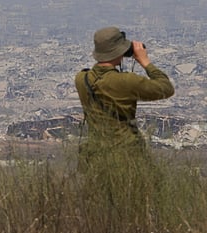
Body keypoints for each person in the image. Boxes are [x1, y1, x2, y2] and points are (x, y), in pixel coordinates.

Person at [74, 26, 174, 170]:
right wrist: (145, 61)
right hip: (126, 157)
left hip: (96, 159)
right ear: (119, 51)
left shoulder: (81, 79)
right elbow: (166, 88)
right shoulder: (125, 81)